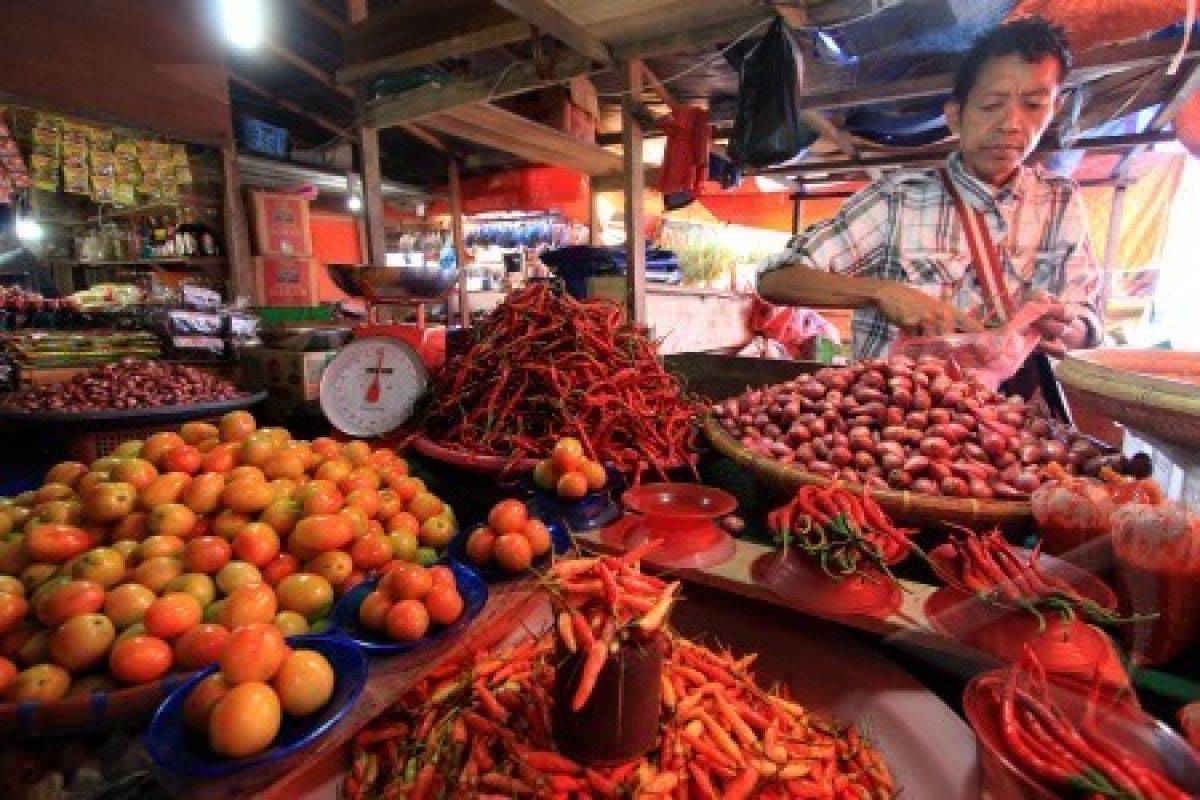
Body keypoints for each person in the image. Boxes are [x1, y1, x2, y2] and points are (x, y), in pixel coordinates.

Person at [758, 18, 1103, 362]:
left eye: (1033, 105)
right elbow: (775, 279)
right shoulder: (896, 199)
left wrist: (1065, 327)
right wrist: (881, 293)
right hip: (899, 411)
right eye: (990, 105)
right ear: (955, 115)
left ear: (1055, 110)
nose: (1011, 124)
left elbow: (1088, 322)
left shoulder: (1061, 201)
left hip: (1010, 412)